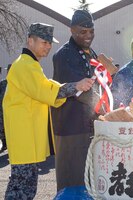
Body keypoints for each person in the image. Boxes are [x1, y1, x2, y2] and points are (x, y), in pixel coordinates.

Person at [3, 22, 94, 200]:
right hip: (24, 136)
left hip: (27, 136)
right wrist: (75, 86)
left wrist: (73, 88)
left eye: (49, 43)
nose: (48, 46)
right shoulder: (24, 65)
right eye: (44, 42)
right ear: (30, 41)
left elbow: (47, 87)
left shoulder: (31, 64)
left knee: (24, 185)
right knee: (22, 187)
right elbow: (46, 91)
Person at [51, 9, 101, 191]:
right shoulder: (64, 55)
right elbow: (82, 92)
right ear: (72, 30)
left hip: (89, 125)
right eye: (83, 32)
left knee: (90, 180)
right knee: (72, 182)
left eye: (91, 31)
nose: (88, 36)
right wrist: (105, 108)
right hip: (71, 128)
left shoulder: (91, 53)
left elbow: (98, 84)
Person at [0, 64, 10, 153]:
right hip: (1, 110)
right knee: (1, 128)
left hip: (10, 110)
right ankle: (4, 144)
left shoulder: (16, 83)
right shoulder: (3, 83)